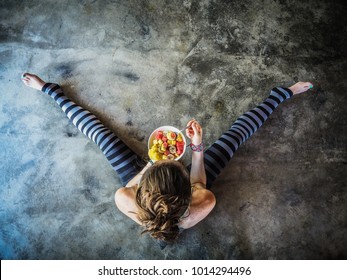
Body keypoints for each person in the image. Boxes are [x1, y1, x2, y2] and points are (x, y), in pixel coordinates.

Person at [21, 73, 313, 243]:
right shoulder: (202, 201)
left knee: (99, 133)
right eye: (175, 163)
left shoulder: (125, 197)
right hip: (156, 177)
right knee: (235, 136)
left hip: (147, 176)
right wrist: (195, 149)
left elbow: (151, 175)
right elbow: (199, 179)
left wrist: (155, 160)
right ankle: (280, 95)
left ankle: (51, 91)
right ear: (188, 189)